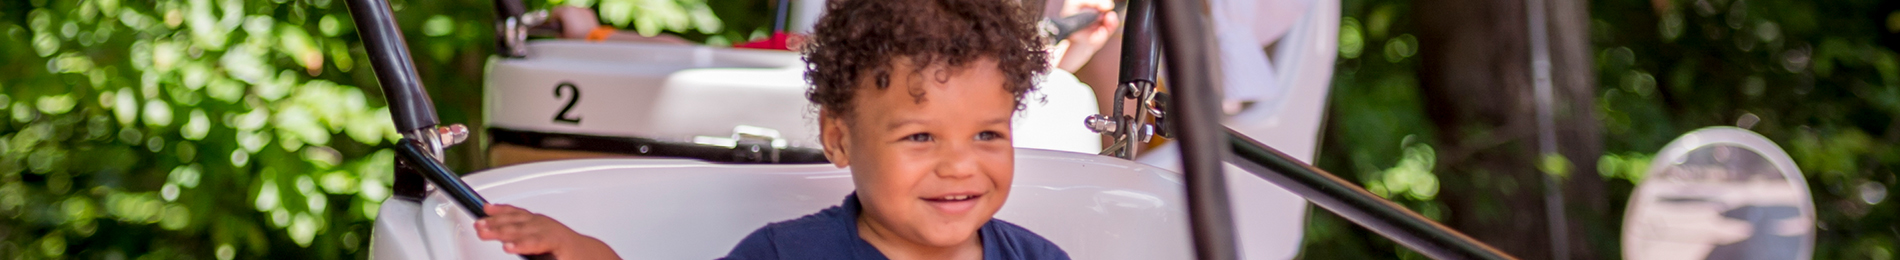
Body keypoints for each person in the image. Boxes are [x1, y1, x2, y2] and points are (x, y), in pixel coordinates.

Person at [471, 0, 1070, 259]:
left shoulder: (1039, 257)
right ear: (838, 138)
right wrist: (590, 253)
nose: (960, 165)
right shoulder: (787, 254)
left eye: (987, 135)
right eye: (920, 137)